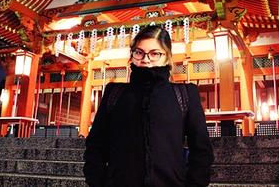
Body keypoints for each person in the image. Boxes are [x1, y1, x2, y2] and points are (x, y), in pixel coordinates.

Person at [83, 25, 214, 187]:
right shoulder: (114, 93)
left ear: (167, 56)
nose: (145, 59)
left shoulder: (185, 94)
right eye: (139, 52)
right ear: (132, 55)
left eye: (155, 53)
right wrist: (97, 181)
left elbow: (201, 148)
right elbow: (96, 143)